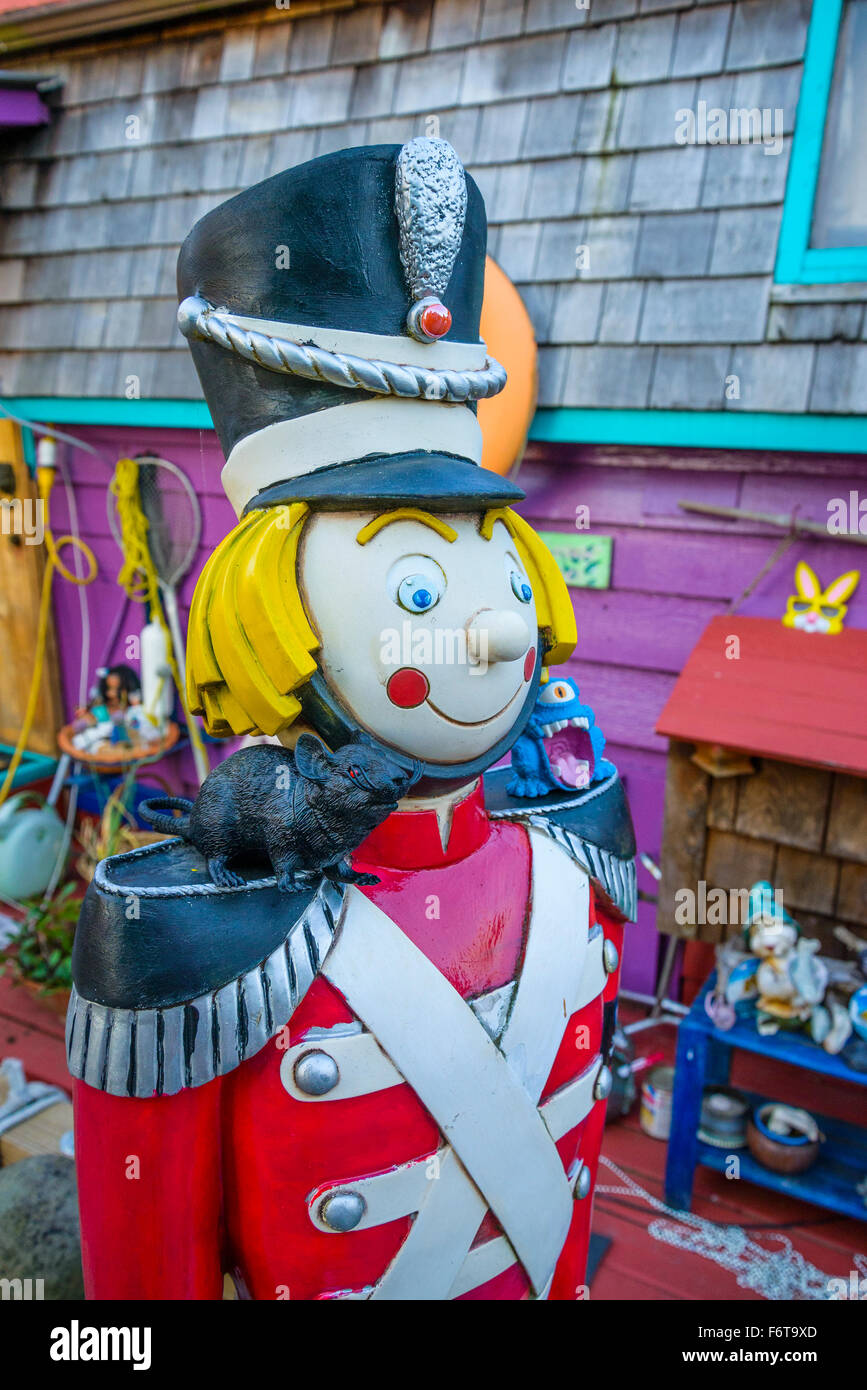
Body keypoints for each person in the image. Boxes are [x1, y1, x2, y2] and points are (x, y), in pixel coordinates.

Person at [67, 139, 635, 1301]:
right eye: (419, 587)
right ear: (273, 611)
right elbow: (142, 1285)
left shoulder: (577, 857)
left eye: (499, 571)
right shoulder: (186, 941)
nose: (494, 634)